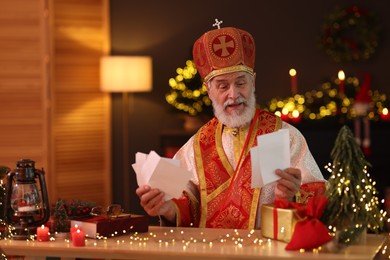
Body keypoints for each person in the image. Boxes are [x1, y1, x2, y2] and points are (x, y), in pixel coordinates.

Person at [136, 24, 326, 229]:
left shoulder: (284, 136)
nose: (233, 95)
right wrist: (165, 208)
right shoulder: (196, 146)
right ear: (208, 90)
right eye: (223, 86)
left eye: (240, 82)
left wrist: (292, 196)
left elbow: (317, 196)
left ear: (253, 82)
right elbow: (183, 207)